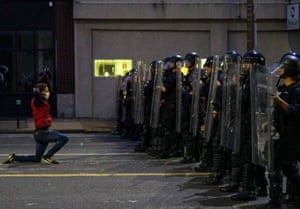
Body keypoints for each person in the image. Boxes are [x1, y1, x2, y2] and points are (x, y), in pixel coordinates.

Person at [262, 54, 300, 209]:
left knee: (287, 167)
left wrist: (281, 102)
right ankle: (277, 199)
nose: (279, 70)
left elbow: (295, 112)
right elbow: (277, 111)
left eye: (282, 67)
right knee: (279, 167)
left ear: (289, 70)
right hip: (281, 134)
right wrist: (269, 122)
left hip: (294, 136)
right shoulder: (282, 88)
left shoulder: (297, 90)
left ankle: (281, 200)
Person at [3, 82, 69, 165]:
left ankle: (14, 157)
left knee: (37, 159)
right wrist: (37, 90)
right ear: (41, 92)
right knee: (64, 138)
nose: (48, 92)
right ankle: (47, 157)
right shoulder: (37, 101)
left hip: (38, 134)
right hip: (42, 133)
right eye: (46, 91)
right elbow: (37, 95)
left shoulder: (42, 101)